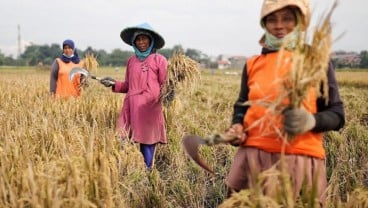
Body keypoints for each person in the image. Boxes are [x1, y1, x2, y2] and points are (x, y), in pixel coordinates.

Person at [224, 0, 345, 206]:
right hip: (253, 157)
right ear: (264, 24)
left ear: (300, 21)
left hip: (298, 159)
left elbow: (337, 114)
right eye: (272, 20)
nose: (279, 25)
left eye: (287, 18)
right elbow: (242, 105)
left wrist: (311, 121)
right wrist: (238, 125)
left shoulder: (315, 60)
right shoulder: (253, 64)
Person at [100, 23, 168, 170]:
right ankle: (125, 171)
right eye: (138, 39)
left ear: (151, 41)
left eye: (144, 39)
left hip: (150, 109)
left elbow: (166, 85)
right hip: (131, 108)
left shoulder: (160, 60)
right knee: (122, 140)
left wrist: (171, 92)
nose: (141, 42)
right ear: (133, 42)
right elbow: (127, 85)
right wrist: (113, 83)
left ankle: (148, 173)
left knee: (147, 143)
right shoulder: (131, 61)